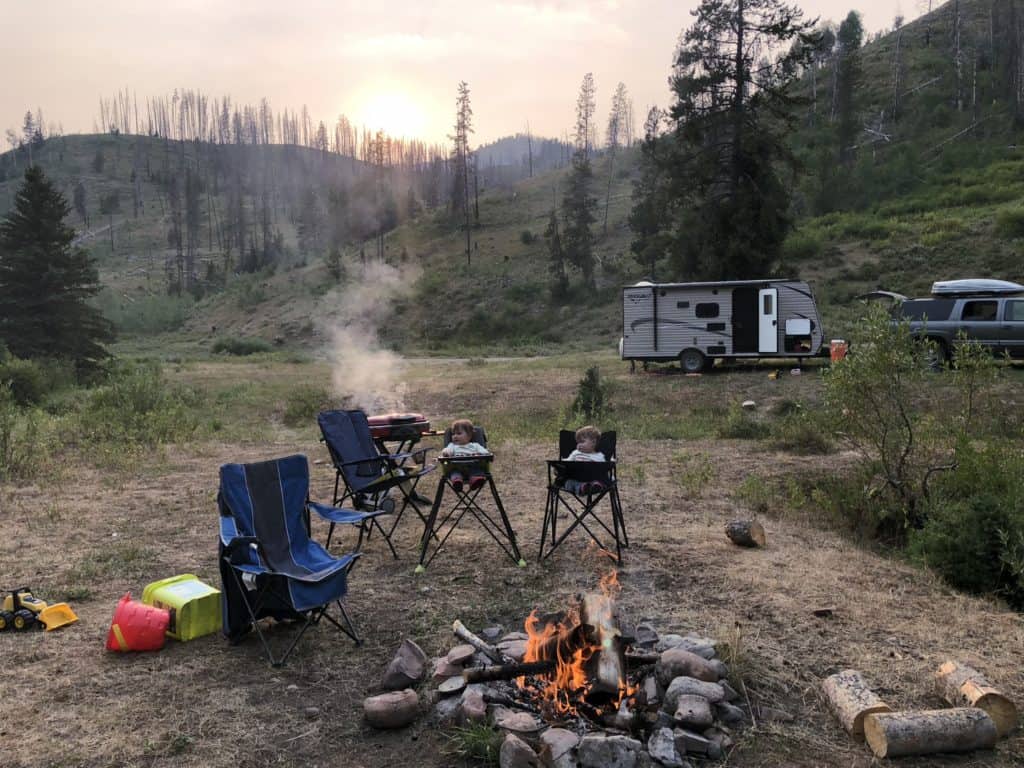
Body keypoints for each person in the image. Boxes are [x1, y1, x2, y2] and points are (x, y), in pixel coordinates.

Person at [440, 418, 490, 492]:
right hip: (457, 467)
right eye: (453, 434)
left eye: (459, 433)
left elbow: (485, 453)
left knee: (478, 471)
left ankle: (475, 482)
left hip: (473, 466)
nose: (455, 436)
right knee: (454, 473)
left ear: (469, 436)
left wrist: (480, 454)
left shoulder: (475, 446)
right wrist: (446, 453)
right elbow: (447, 451)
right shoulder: (452, 446)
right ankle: (457, 483)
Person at [562, 425, 607, 495]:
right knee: (568, 482)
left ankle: (594, 487)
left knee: (600, 481)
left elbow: (605, 469)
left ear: (593, 442)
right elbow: (567, 462)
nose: (579, 445)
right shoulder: (576, 453)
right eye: (578, 442)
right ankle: (583, 487)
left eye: (582, 442)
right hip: (577, 478)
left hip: (593, 479)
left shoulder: (599, 456)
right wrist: (560, 466)